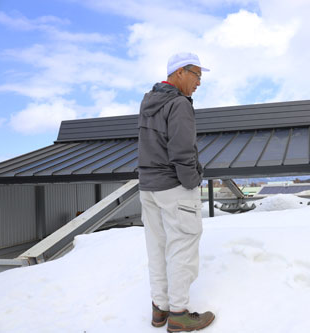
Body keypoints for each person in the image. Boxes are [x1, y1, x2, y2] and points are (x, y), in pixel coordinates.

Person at [138, 52, 214, 332]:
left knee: (157, 248)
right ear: (180, 72)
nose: (199, 83)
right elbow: (182, 149)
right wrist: (192, 181)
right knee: (182, 246)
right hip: (174, 186)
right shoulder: (179, 104)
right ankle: (179, 314)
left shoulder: (149, 102)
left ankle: (160, 309)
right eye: (197, 75)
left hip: (148, 186)